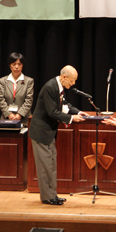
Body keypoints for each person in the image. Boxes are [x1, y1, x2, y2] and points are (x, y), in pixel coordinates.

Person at [29, 65, 88, 205]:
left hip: (49, 132)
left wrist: (77, 112)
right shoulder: (50, 87)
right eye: (72, 81)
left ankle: (52, 195)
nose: (73, 84)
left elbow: (65, 105)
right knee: (45, 167)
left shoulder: (59, 87)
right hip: (41, 132)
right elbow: (52, 112)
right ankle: (47, 197)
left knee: (51, 164)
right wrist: (72, 119)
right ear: (64, 77)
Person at [0, 52, 34, 123]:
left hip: (24, 118)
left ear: (22, 66)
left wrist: (20, 114)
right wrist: (9, 114)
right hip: (7, 118)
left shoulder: (29, 81)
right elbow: (1, 99)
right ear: (10, 65)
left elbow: (29, 100)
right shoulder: (2, 81)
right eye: (14, 64)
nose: (16, 67)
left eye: (19, 64)